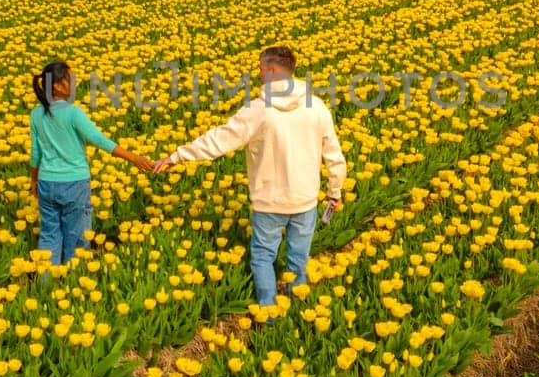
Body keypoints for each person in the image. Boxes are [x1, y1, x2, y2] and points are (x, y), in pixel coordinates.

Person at [153, 46, 346, 306]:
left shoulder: (258, 109)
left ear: (273, 70)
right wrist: (335, 191)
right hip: (305, 200)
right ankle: (297, 305)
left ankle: (267, 312)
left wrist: (177, 156)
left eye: (260, 68)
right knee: (298, 257)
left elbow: (219, 139)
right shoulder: (317, 106)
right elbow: (334, 153)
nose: (257, 73)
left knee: (263, 256)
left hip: (269, 201)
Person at [29, 59, 152, 266]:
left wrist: (34, 181)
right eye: (70, 79)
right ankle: (70, 285)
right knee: (76, 238)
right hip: (73, 184)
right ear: (58, 86)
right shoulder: (73, 112)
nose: (75, 83)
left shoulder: (36, 114)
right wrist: (134, 158)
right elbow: (99, 141)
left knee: (49, 236)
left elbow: (35, 154)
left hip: (46, 183)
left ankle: (46, 285)